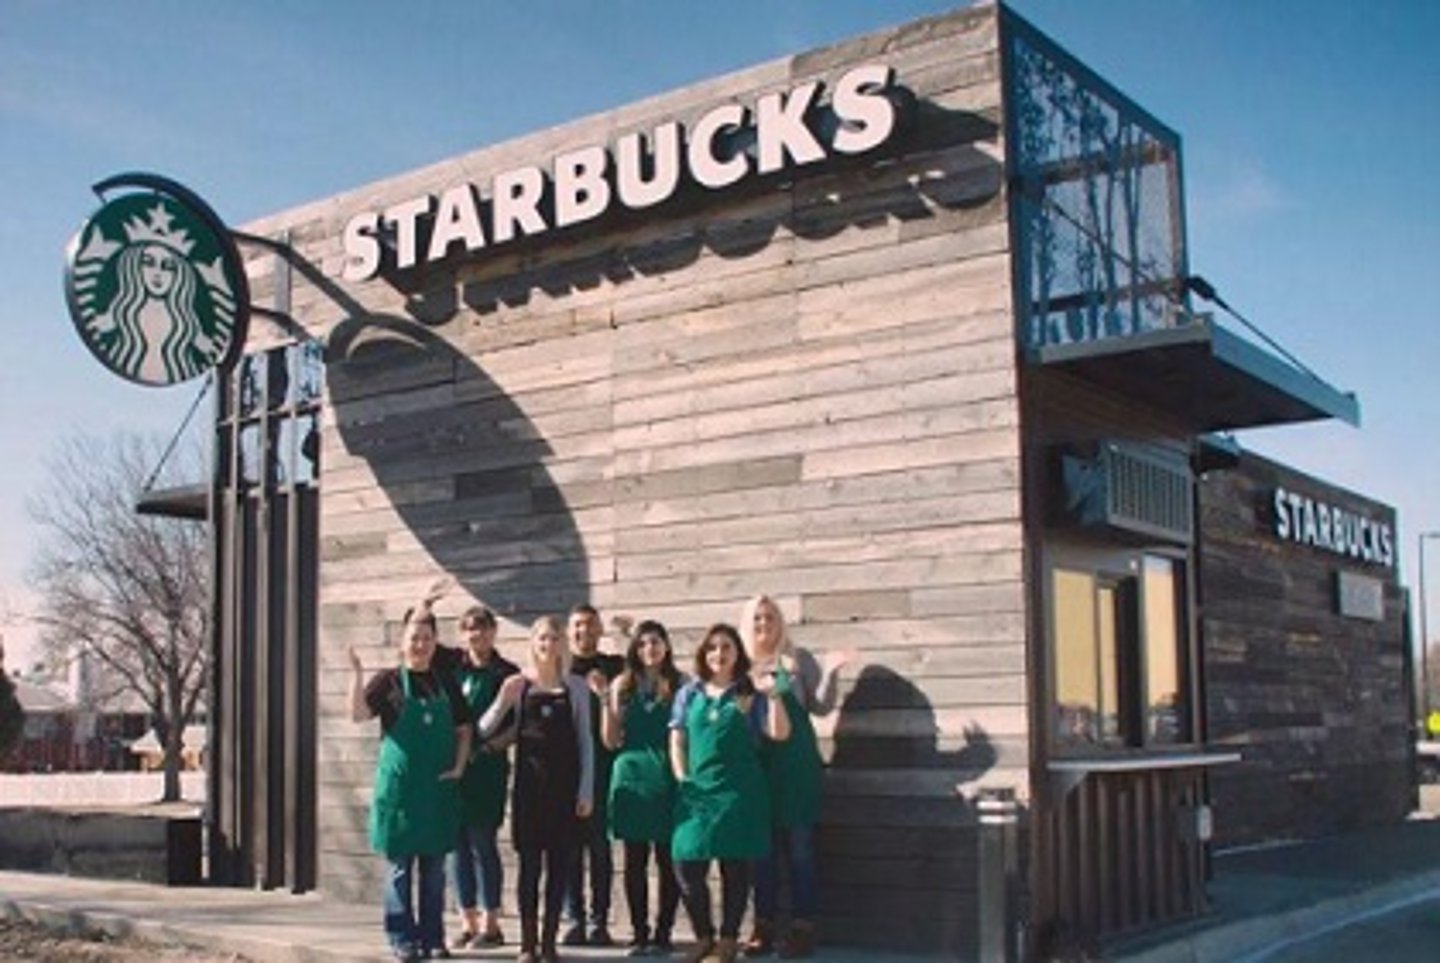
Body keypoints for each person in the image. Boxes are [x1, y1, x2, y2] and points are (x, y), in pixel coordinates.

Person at [350, 601, 472, 962]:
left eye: (427, 638)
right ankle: (402, 939)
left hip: (436, 791)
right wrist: (356, 675)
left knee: (434, 872)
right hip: (401, 794)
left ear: (435, 643)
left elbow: (464, 729)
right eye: (414, 638)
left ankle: (433, 939)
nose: (420, 644)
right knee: (400, 870)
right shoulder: (388, 681)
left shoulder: (444, 681)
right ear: (402, 643)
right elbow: (358, 714)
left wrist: (460, 767)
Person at [740, 595, 853, 959]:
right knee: (763, 853)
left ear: (780, 622)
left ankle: (803, 926)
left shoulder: (797, 660)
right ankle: (764, 925)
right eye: (757, 618)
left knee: (801, 850)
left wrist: (832, 671)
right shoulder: (740, 667)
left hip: (798, 767)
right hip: (760, 769)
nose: (763, 624)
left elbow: (820, 706)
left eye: (770, 617)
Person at [670, 623, 790, 963]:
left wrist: (775, 695)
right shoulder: (689, 693)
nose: (718, 654)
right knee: (685, 862)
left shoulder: (748, 692)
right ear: (703, 654)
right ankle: (703, 935)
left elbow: (779, 734)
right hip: (696, 789)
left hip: (738, 790)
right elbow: (677, 738)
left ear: (737, 653)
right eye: (712, 648)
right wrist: (682, 777)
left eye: (726, 647)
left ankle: (727, 940)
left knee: (734, 866)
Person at [480, 615, 595, 963]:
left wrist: (586, 790)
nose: (549, 644)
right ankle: (527, 945)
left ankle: (549, 944)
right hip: (529, 790)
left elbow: (585, 741)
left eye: (555, 638)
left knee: (559, 869)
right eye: (542, 638)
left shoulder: (575, 687)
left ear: (563, 644)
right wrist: (502, 699)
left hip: (564, 791)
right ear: (533, 642)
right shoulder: (519, 684)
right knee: (529, 868)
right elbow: (485, 728)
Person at [601, 620, 683, 957]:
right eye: (644, 642)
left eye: (657, 641)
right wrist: (607, 702)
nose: (650, 648)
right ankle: (639, 933)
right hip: (631, 777)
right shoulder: (623, 684)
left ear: (666, 646)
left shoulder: (680, 685)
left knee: (668, 861)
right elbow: (609, 740)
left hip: (667, 778)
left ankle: (664, 932)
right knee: (635, 860)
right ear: (635, 649)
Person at [447, 605, 520, 950]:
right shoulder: (451, 669)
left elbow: (519, 725)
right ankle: (467, 921)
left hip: (487, 771)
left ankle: (492, 925)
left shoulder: (507, 672)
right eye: (469, 629)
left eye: (482, 628)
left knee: (482, 844)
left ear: (494, 631)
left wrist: (490, 748)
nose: (476, 634)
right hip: (453, 771)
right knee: (456, 848)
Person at [562, 603, 625, 946]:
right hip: (567, 772)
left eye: (590, 625)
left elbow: (647, 668)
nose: (584, 632)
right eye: (577, 626)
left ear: (600, 630)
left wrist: (626, 634)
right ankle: (575, 918)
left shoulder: (614, 666)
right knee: (570, 848)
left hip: (605, 770)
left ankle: (600, 921)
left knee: (600, 848)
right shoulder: (560, 668)